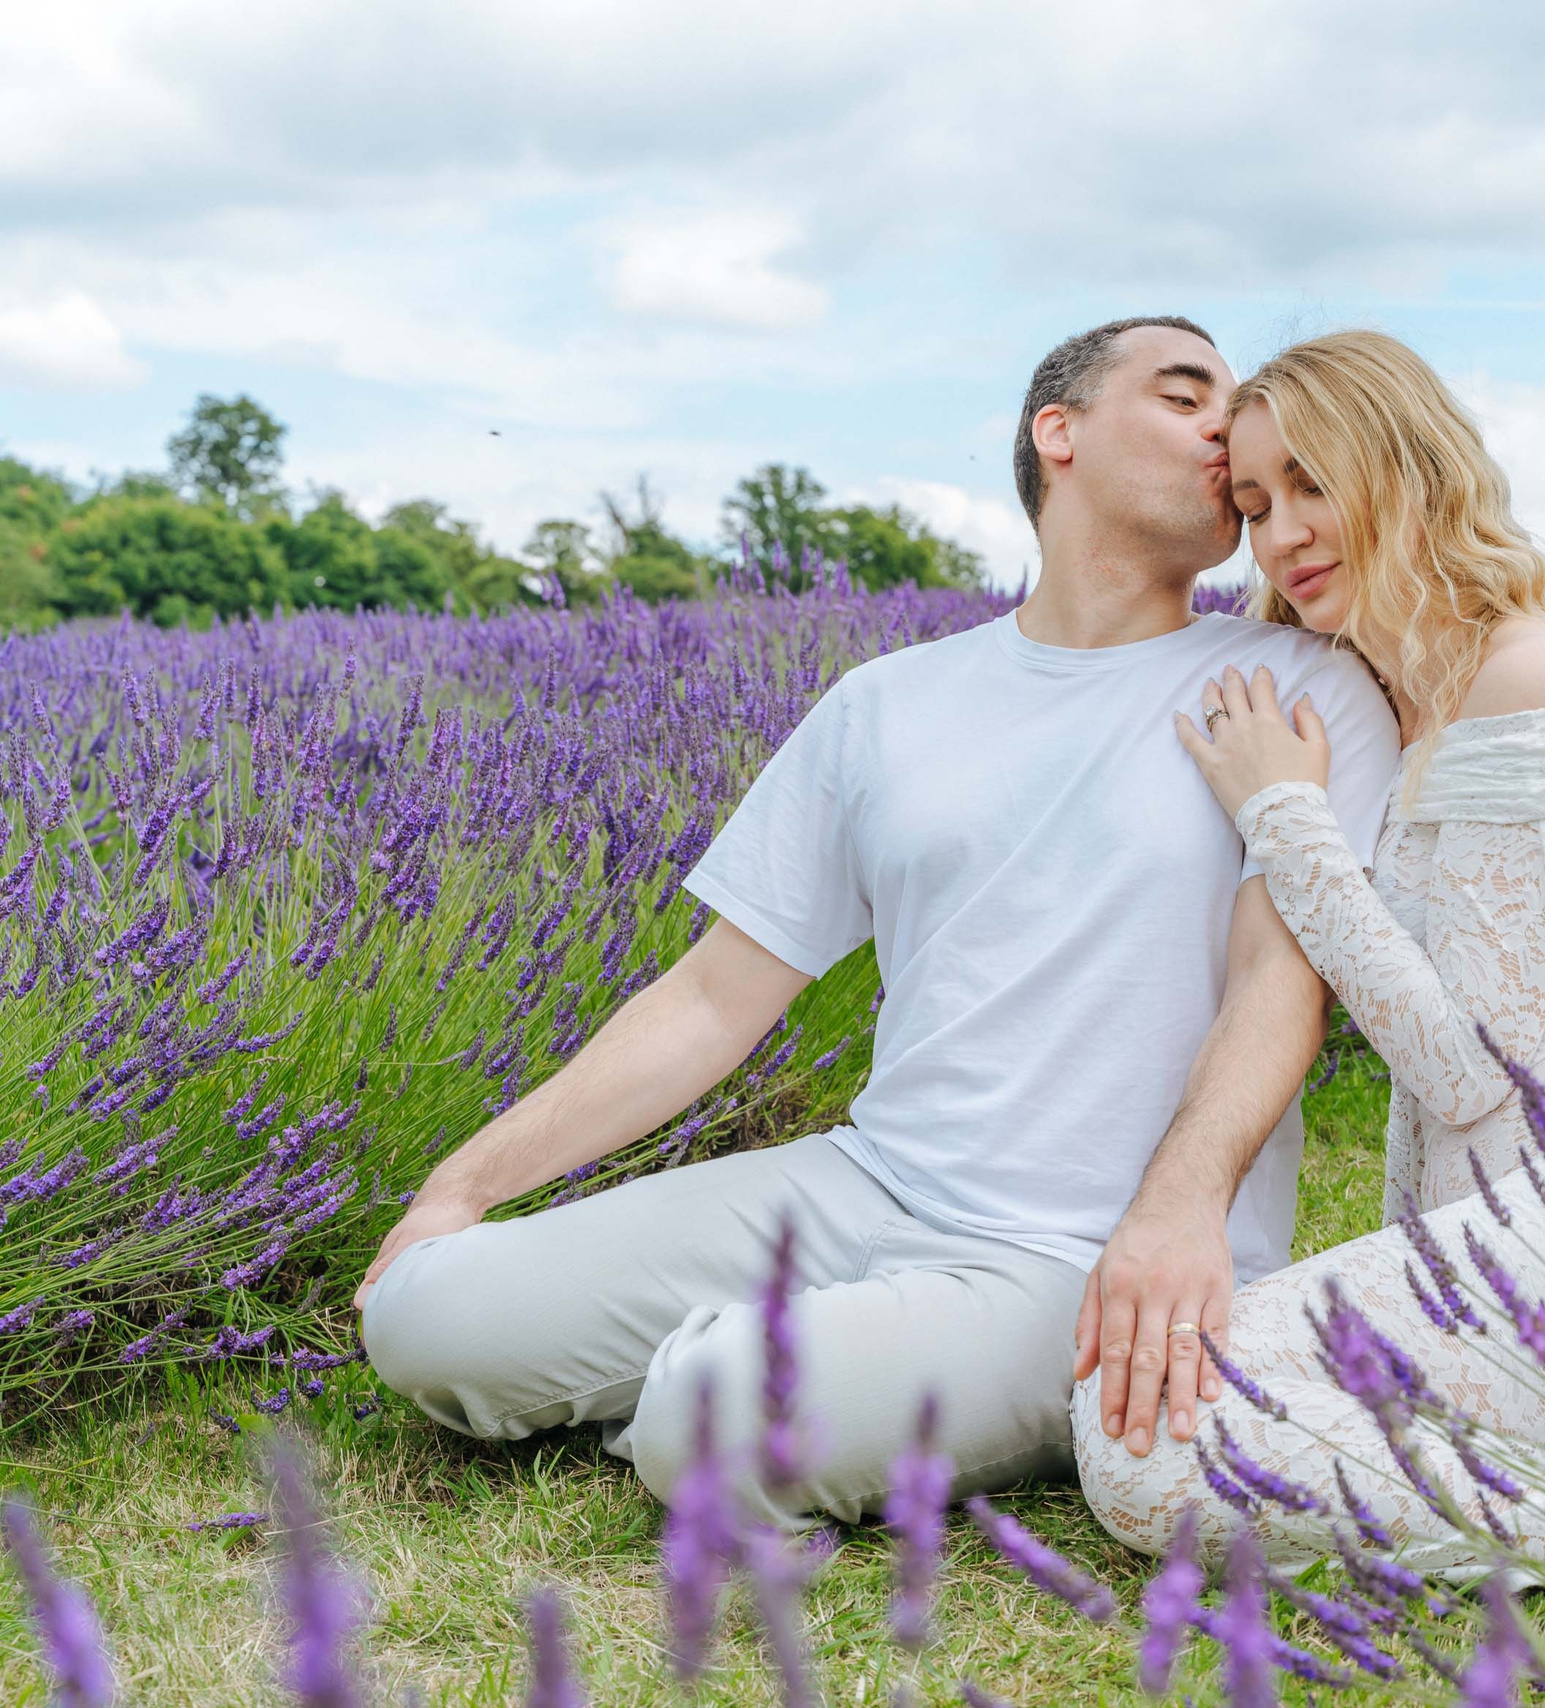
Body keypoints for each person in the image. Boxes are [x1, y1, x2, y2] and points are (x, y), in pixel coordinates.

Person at [356, 316, 1403, 1532]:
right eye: (1185, 397)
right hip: (862, 1184)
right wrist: (462, 1184)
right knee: (427, 1313)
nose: (1227, 430)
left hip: (1076, 1252)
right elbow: (711, 999)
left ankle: (785, 1381)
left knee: (713, 1422)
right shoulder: (887, 702)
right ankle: (803, 1368)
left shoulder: (1299, 687)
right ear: (1056, 432)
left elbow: (1282, 982)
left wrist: (1178, 1214)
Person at [1072, 330, 1545, 1605]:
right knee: (1167, 1407)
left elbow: (1462, 1064)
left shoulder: (1527, 676)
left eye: (1314, 483)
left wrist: (1285, 817)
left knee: (1143, 1440)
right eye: (1257, 505)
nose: (1281, 536)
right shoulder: (1399, 700)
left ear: (1408, 466)